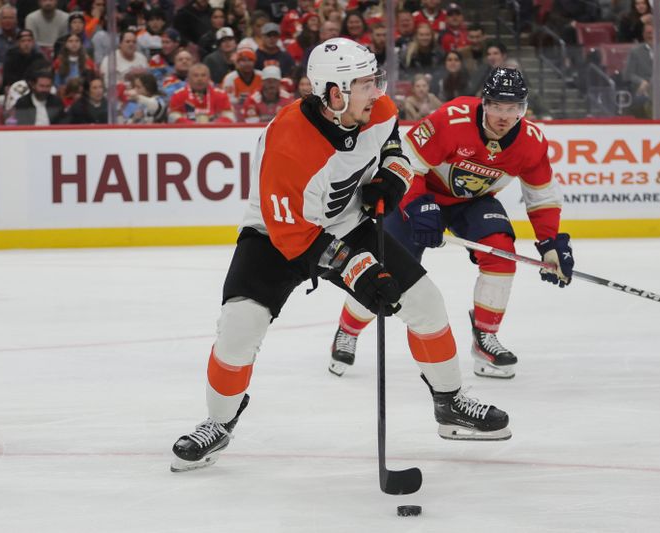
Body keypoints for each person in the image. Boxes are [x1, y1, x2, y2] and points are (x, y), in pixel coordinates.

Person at [170, 38, 513, 473]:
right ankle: (218, 422)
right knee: (239, 327)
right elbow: (293, 235)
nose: (379, 91)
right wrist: (360, 270)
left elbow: (393, 146)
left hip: (347, 222)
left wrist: (392, 176)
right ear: (335, 93)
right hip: (275, 237)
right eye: (367, 83)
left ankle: (450, 404)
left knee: (426, 303)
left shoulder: (378, 109)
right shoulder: (288, 142)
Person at [327, 67, 573, 380]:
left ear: (522, 110)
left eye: (512, 109)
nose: (503, 116)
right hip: (419, 194)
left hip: (471, 203)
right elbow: (406, 161)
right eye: (497, 106)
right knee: (385, 270)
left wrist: (550, 244)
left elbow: (542, 198)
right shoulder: (452, 119)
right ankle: (348, 329)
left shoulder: (532, 143)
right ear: (484, 103)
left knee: (500, 251)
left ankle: (485, 339)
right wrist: (418, 204)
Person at [168, 62, 235, 123]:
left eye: (203, 75)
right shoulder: (178, 95)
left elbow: (229, 116)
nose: (200, 79)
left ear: (209, 78)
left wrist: (213, 125)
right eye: (196, 75)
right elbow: (172, 117)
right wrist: (191, 125)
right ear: (188, 78)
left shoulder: (220, 95)